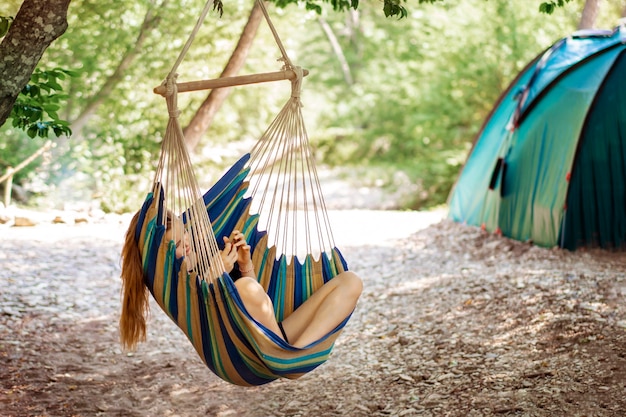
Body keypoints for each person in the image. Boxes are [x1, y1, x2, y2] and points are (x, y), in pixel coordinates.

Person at [119, 210, 362, 351]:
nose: (189, 245)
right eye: (180, 245)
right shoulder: (174, 284)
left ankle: (298, 354)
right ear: (163, 255)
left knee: (351, 281)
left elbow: (259, 302)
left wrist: (245, 265)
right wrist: (217, 273)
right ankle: (287, 355)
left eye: (187, 236)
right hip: (246, 349)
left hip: (277, 338)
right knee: (244, 287)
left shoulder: (206, 255)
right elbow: (207, 314)